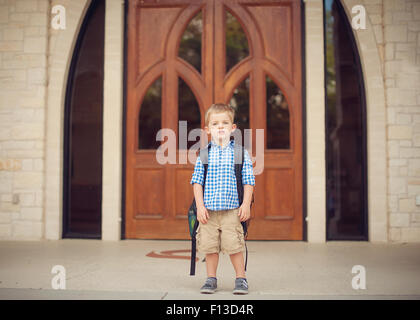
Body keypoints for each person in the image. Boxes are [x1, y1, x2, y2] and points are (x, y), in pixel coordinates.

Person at [190, 103, 255, 295]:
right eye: (215, 123)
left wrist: (246, 205)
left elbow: (248, 181)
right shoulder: (203, 154)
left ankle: (241, 278)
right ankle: (211, 279)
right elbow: (197, 183)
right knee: (210, 247)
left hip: (232, 211)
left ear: (232, 128)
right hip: (208, 213)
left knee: (234, 246)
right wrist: (200, 207)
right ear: (207, 129)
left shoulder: (240, 153)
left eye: (225, 123)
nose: (220, 127)